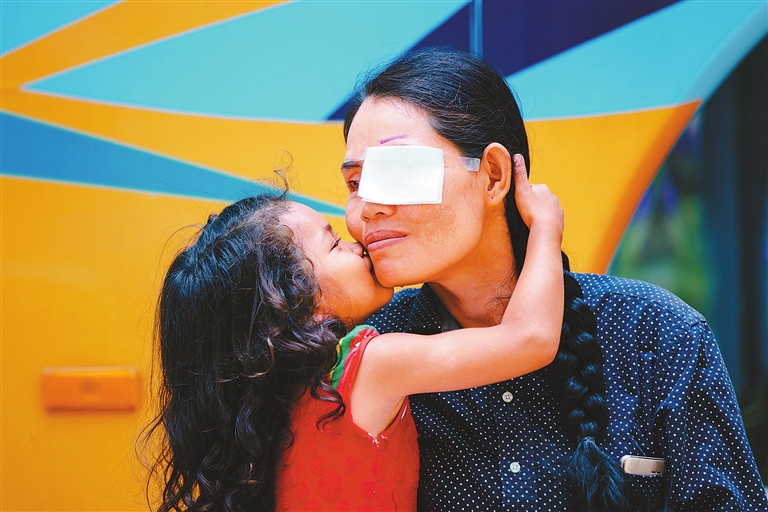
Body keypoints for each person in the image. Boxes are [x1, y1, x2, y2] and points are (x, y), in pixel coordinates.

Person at [341, 47, 768, 512]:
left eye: (396, 172)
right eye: (354, 184)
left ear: (493, 176)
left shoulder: (656, 332)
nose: (367, 208)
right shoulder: (365, 352)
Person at [143, 163, 565, 511]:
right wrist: (545, 226)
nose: (357, 243)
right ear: (297, 302)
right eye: (333, 245)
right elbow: (530, 339)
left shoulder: (272, 400)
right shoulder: (370, 366)